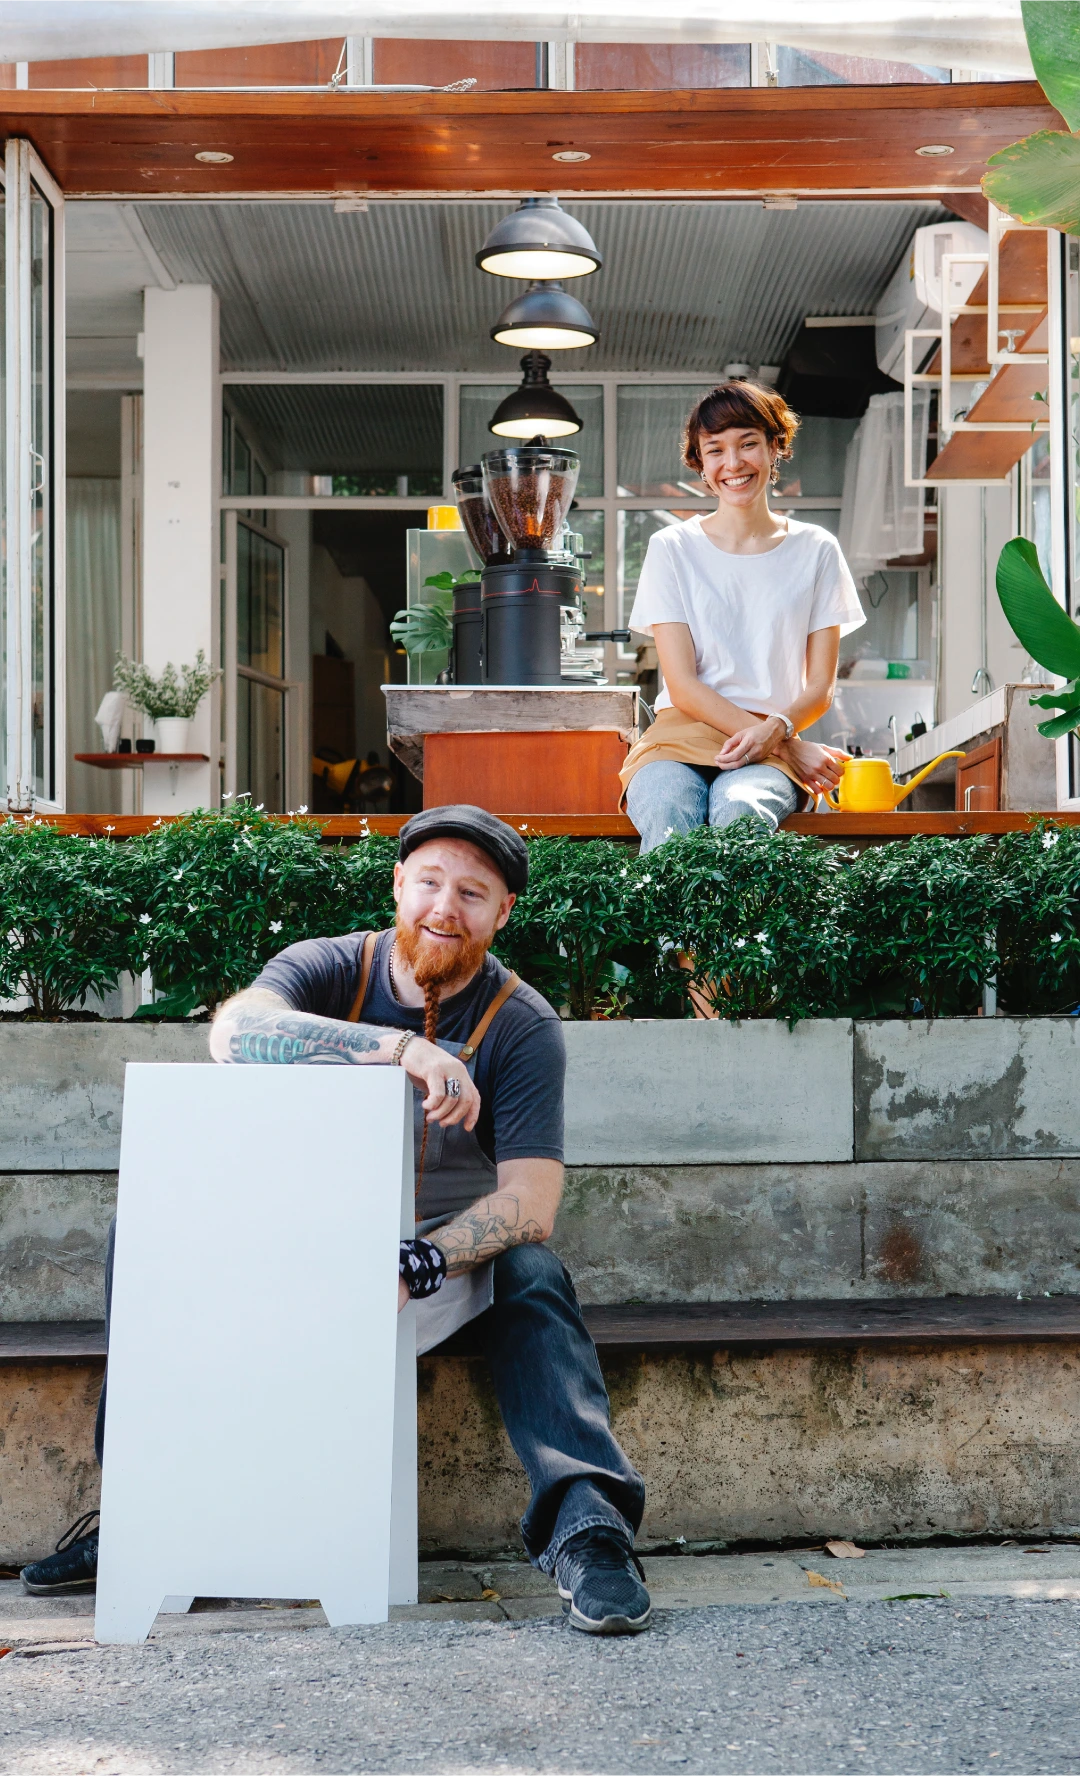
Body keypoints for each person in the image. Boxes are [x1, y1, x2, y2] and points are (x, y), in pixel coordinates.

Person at [21, 805, 650, 1638]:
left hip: (426, 1272)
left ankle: (588, 1532)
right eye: (428, 881)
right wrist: (403, 1052)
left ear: (502, 913)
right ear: (397, 885)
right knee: (141, 1236)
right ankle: (138, 1515)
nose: (443, 906)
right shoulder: (329, 966)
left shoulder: (520, 1024)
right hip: (295, 1246)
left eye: (472, 892)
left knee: (534, 1274)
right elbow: (234, 1032)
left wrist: (414, 1263)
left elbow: (531, 1205)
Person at [621, 379, 866, 852]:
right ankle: (677, 932)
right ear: (700, 462)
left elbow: (819, 689)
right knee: (669, 813)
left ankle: (735, 933)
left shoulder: (817, 550)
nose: (732, 464)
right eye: (714, 450)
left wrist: (772, 733)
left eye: (747, 443)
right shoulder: (671, 547)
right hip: (678, 739)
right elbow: (684, 686)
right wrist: (790, 745)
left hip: (767, 751)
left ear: (776, 447)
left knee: (740, 811)